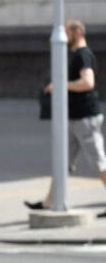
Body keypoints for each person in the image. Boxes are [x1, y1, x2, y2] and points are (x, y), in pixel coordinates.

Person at [24, 19, 103, 215]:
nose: (65, 37)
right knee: (62, 161)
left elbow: (88, 82)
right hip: (74, 117)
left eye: (67, 32)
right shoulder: (77, 54)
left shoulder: (83, 54)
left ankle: (50, 201)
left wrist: (61, 85)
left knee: (99, 161)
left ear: (77, 32)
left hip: (85, 117)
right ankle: (49, 202)